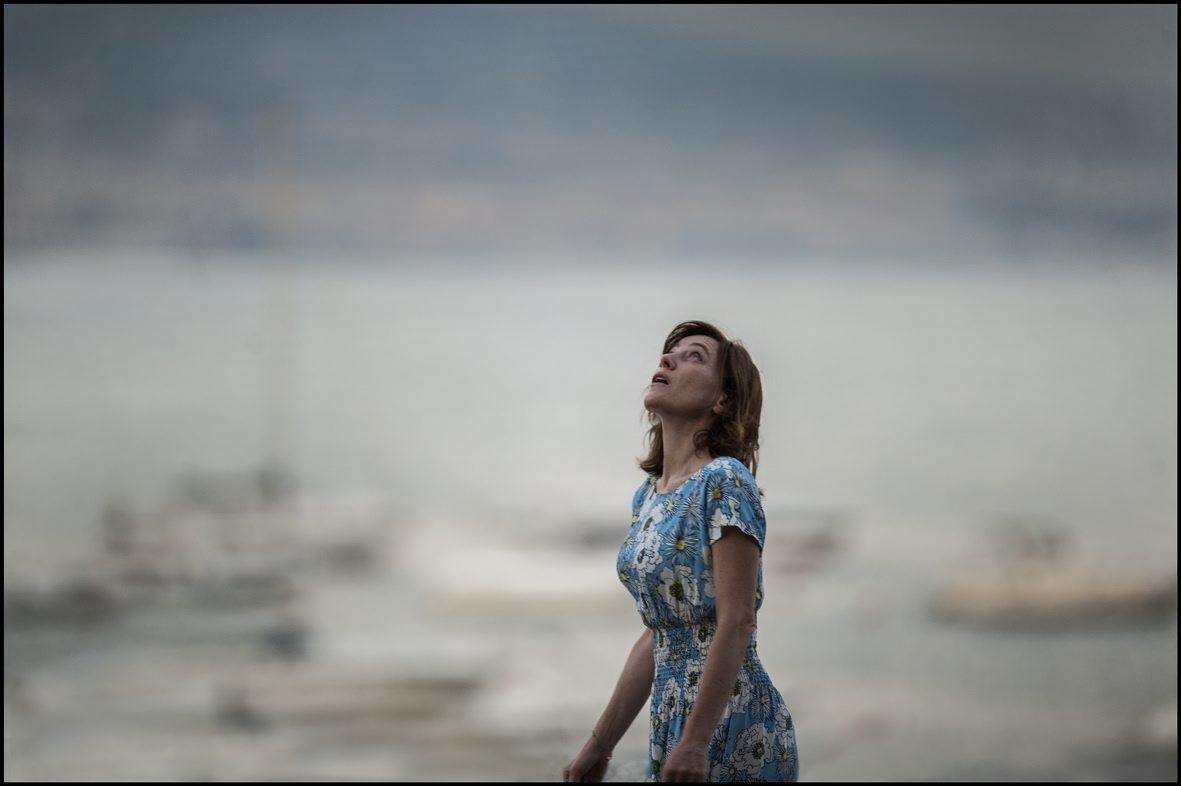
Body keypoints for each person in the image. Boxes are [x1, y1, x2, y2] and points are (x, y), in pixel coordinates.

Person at [564, 320, 799, 783]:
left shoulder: (726, 481)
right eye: (668, 353)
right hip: (672, 726)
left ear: (722, 400)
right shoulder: (648, 496)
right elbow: (659, 633)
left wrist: (696, 742)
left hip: (730, 723)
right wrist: (599, 747)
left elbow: (737, 620)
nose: (667, 360)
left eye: (694, 356)